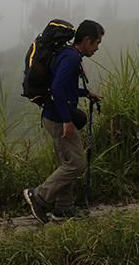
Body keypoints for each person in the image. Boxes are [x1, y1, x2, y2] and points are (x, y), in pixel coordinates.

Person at [23, 19, 104, 223]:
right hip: (59, 118)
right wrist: (67, 121)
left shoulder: (68, 54)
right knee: (77, 163)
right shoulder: (71, 58)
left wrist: (86, 93)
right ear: (87, 40)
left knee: (66, 162)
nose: (97, 48)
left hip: (52, 115)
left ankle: (63, 208)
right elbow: (58, 89)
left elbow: (65, 86)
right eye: (96, 43)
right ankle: (38, 196)